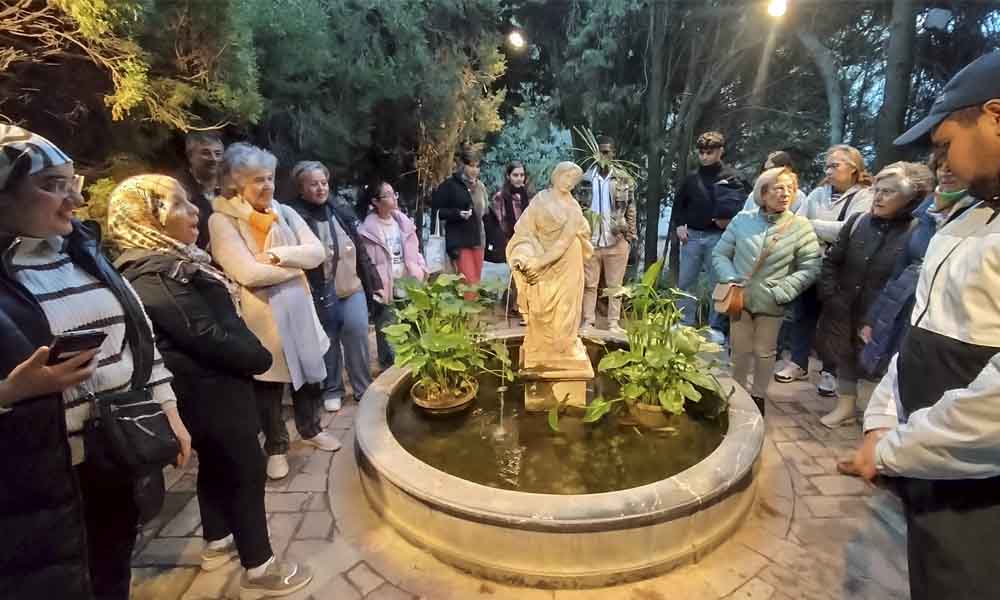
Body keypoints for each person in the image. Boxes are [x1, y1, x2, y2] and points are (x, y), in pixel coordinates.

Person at [0, 126, 192, 599]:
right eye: (51, 186)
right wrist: (10, 393)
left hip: (110, 460)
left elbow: (137, 335)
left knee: (111, 575)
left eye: (72, 184)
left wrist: (167, 407)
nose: (73, 203)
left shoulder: (84, 251)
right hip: (32, 485)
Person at [106, 175, 312, 597]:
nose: (194, 211)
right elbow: (206, 335)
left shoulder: (173, 262)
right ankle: (261, 567)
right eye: (179, 205)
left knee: (217, 465)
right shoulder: (154, 275)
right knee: (245, 468)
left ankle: (216, 542)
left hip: (211, 387)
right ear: (150, 219)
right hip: (210, 390)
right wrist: (259, 357)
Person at [849, 51, 1000, 600]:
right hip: (930, 467)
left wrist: (893, 450)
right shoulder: (972, 212)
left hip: (978, 489)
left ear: (995, 115)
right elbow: (920, 328)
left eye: (945, 144)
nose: (941, 163)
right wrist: (885, 416)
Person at [210, 144, 340, 481]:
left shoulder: (284, 211)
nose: (267, 186)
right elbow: (247, 274)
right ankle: (277, 447)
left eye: (269, 178)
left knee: (310, 374)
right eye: (257, 180)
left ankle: (311, 429)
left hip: (300, 307)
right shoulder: (222, 220)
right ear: (237, 183)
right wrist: (295, 268)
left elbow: (316, 252)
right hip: (262, 317)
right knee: (269, 385)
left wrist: (280, 256)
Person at [815, 162, 932, 428]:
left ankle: (876, 416)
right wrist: (831, 296)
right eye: (877, 190)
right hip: (844, 305)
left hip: (881, 313)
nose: (878, 197)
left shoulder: (917, 232)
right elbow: (832, 262)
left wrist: (880, 315)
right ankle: (845, 408)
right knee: (843, 355)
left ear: (911, 197)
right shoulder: (858, 222)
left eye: (888, 192)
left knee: (878, 362)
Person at [712, 167, 820, 413]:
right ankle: (736, 396)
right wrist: (730, 278)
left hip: (773, 300)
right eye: (779, 188)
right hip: (739, 298)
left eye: (790, 189)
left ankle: (758, 397)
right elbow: (720, 253)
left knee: (764, 352)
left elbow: (811, 265)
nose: (785, 194)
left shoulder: (800, 226)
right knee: (738, 351)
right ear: (763, 192)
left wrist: (783, 290)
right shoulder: (743, 220)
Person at [860, 153, 976, 378]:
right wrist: (874, 318)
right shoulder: (926, 214)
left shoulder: (979, 214)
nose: (946, 171)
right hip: (904, 314)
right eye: (941, 166)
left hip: (944, 327)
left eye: (956, 165)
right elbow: (897, 274)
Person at [774, 144, 875, 397]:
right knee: (803, 314)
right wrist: (820, 229)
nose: (828, 171)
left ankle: (830, 371)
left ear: (853, 168)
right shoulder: (818, 194)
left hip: (841, 269)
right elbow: (797, 224)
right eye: (827, 165)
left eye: (835, 165)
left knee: (833, 320)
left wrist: (813, 226)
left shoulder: (864, 195)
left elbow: (851, 229)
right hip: (810, 263)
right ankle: (798, 363)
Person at [287, 161, 380, 409]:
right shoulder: (293, 217)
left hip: (352, 288)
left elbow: (359, 249)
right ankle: (332, 389)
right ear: (301, 188)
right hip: (318, 292)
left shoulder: (339, 210)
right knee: (328, 340)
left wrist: (374, 280)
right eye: (313, 184)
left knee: (358, 333)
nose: (320, 188)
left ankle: (363, 387)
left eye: (324, 183)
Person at [508, 162, 594, 370]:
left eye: (573, 180)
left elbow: (563, 243)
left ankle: (563, 346)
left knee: (564, 314)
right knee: (540, 309)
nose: (569, 182)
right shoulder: (540, 200)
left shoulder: (574, 209)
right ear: (556, 175)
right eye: (566, 176)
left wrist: (538, 263)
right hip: (541, 256)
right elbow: (524, 230)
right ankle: (542, 345)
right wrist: (526, 254)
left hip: (567, 263)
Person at [674, 131, 750, 336]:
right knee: (685, 282)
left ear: (720, 151)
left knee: (720, 283)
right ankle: (684, 323)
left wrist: (732, 225)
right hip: (692, 237)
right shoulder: (692, 178)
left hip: (720, 238)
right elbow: (679, 204)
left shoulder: (734, 177)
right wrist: (679, 224)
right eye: (702, 152)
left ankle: (716, 329)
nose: (705, 156)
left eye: (710, 152)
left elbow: (748, 207)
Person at [357, 179, 427, 369]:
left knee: (411, 325)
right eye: (387, 195)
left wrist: (421, 269)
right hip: (385, 286)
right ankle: (390, 369)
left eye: (393, 193)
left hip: (407, 282)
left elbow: (415, 250)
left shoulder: (403, 223)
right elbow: (367, 263)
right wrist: (374, 286)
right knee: (388, 329)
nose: (393, 198)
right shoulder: (367, 231)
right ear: (375, 202)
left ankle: (412, 366)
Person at [580, 136, 636, 334]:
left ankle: (613, 322)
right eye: (600, 151)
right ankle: (588, 321)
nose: (603, 155)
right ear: (595, 153)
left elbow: (631, 207)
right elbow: (577, 207)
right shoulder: (584, 178)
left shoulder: (622, 178)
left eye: (607, 151)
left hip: (616, 239)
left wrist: (630, 236)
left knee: (615, 286)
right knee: (589, 285)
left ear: (613, 153)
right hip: (591, 240)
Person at [431, 144, 488, 298]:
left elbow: (485, 213)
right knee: (468, 284)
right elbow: (438, 211)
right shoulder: (450, 185)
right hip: (460, 241)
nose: (474, 170)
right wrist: (457, 214)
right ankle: (466, 320)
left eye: (477, 166)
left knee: (475, 283)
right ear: (462, 165)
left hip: (479, 238)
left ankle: (468, 319)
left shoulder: (481, 187)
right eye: (471, 165)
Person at [485, 161, 534, 318]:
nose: (519, 179)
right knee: (517, 272)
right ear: (508, 176)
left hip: (528, 240)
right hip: (510, 239)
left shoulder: (528, 195)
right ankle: (515, 305)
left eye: (521, 175)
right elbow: (500, 221)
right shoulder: (500, 197)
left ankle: (516, 305)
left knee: (525, 273)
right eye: (515, 175)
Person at [175, 131, 224, 250]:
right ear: (190, 156)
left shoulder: (230, 190)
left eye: (218, 154)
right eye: (206, 153)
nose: (213, 159)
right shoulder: (180, 189)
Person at [742, 151, 806, 213]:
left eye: (774, 171)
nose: (769, 175)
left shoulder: (799, 196)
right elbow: (744, 220)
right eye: (766, 171)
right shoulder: (755, 195)